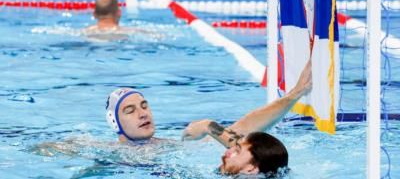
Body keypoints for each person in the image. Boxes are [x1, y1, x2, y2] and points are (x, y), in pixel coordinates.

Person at [106, 61, 312, 176]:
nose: (143, 113)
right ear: (115, 123)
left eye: (144, 105)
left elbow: (245, 129)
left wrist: (295, 94)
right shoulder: (103, 152)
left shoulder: (176, 147)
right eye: (130, 110)